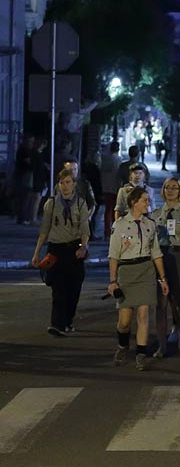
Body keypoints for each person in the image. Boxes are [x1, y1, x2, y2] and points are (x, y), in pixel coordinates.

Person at [107, 187, 169, 371]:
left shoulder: (150, 224)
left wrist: (162, 278)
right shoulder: (119, 225)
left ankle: (141, 353)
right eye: (144, 200)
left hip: (145, 270)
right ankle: (123, 345)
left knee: (143, 314)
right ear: (134, 202)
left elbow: (156, 253)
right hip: (126, 271)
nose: (148, 203)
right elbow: (114, 255)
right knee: (125, 320)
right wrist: (113, 281)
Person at [31, 168, 90, 336]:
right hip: (56, 250)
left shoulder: (80, 203)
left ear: (74, 184)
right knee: (58, 290)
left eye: (68, 182)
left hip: (74, 250)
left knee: (74, 289)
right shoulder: (51, 204)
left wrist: (83, 247)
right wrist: (36, 253)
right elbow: (44, 229)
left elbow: (85, 228)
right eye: (62, 183)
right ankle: (57, 324)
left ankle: (68, 320)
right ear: (58, 184)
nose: (65, 186)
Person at [151, 178, 180, 357]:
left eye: (174, 188)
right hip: (161, 257)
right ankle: (161, 345)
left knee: (179, 301)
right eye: (167, 187)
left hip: (179, 257)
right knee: (160, 303)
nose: (170, 191)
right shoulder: (155, 214)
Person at [101, 141, 122, 239]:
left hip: (106, 187)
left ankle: (107, 231)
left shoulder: (105, 159)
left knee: (107, 210)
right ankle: (114, 230)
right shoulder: (118, 160)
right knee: (115, 210)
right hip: (115, 187)